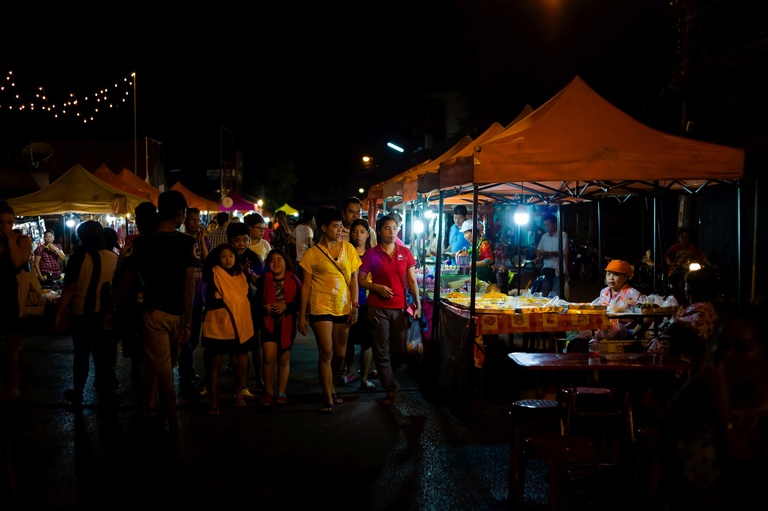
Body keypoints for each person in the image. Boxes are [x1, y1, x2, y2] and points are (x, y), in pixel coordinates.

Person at [650, 306, 768, 510]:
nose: (726, 354)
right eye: (721, 344)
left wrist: (724, 414)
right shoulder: (698, 392)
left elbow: (747, 483)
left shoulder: (760, 417)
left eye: (741, 347)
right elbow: (663, 453)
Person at [106, 189, 197, 447]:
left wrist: (110, 308)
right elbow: (188, 285)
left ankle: (157, 410)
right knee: (167, 368)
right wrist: (189, 321)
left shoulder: (142, 243)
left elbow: (125, 281)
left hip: (153, 312)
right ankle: (172, 425)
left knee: (163, 367)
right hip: (176, 314)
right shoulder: (186, 243)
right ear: (179, 214)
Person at [298, 206, 361, 414]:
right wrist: (302, 315)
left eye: (341, 226)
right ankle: (327, 396)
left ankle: (331, 384)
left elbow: (354, 280)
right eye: (336, 226)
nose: (340, 230)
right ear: (324, 228)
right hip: (320, 307)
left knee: (340, 355)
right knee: (326, 352)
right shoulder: (311, 254)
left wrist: (355, 306)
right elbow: (306, 286)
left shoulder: (349, 250)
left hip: (343, 307)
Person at [358, 214, 421, 406]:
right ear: (379, 231)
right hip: (377, 307)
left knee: (400, 349)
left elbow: (412, 280)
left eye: (395, 228)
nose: (392, 231)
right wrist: (376, 287)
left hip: (400, 307)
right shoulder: (371, 254)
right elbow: (360, 280)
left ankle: (388, 376)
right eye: (387, 228)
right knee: (381, 349)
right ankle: (389, 387)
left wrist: (417, 305)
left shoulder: (405, 252)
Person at [55, 221, 119, 405]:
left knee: (81, 356)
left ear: (81, 237)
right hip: (103, 314)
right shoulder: (113, 258)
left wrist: (58, 313)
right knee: (103, 356)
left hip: (80, 315)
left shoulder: (77, 258)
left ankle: (78, 391)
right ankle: (106, 391)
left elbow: (69, 289)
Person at [112, 201, 158, 419]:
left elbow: (123, 276)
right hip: (160, 308)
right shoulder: (165, 243)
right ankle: (152, 401)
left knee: (139, 360)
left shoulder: (135, 245)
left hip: (137, 309)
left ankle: (143, 403)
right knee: (155, 360)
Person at [200, 243, 255, 414]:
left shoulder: (240, 275)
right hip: (218, 324)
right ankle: (214, 401)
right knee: (215, 362)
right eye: (223, 256)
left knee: (239, 360)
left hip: (239, 323)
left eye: (231, 256)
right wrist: (202, 241)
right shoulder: (213, 272)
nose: (228, 259)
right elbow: (207, 260)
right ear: (218, 258)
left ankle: (239, 393)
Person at [255, 249, 302, 406]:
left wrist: (285, 306)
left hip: (287, 325)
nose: (275, 263)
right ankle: (268, 392)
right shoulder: (263, 280)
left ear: (285, 262)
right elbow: (256, 303)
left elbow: (300, 302)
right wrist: (265, 307)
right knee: (268, 359)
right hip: (268, 324)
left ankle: (281, 392)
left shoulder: (294, 279)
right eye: (272, 260)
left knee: (283, 360)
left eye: (279, 259)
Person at [646, 268, 719, 366]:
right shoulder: (694, 309)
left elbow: (691, 344)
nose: (684, 290)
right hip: (658, 360)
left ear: (691, 291)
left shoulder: (703, 314)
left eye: (685, 287)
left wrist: (673, 324)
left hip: (671, 366)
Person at [0, 201, 33, 399]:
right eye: (1, 222)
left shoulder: (23, 240)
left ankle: (14, 383)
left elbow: (18, 262)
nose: (4, 225)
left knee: (13, 343)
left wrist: (10, 239)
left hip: (13, 295)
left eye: (8, 222)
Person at [340, 218, 377, 391]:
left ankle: (364, 376)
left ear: (368, 234)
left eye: (362, 232)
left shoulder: (373, 253)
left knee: (367, 341)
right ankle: (350, 371)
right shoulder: (345, 252)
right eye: (355, 231)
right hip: (347, 302)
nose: (358, 235)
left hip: (368, 302)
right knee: (348, 340)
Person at [178, 207, 210, 399]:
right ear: (185, 221)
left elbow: (206, 260)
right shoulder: (181, 241)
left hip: (200, 292)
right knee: (187, 336)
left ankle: (186, 367)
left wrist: (203, 238)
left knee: (195, 335)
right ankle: (186, 371)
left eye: (198, 219)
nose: (196, 222)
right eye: (192, 219)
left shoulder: (201, 239)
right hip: (186, 292)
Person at [665, 227, 709, 304]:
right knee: (674, 281)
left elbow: (701, 256)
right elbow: (667, 256)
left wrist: (707, 262)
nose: (684, 238)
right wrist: (671, 263)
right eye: (682, 236)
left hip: (690, 270)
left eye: (686, 236)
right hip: (678, 269)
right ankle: (676, 297)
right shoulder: (675, 248)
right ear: (679, 238)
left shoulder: (693, 248)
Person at [534, 213, 569, 299]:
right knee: (544, 296)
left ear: (554, 224)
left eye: (548, 224)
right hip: (547, 270)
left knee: (557, 297)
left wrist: (548, 253)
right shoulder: (544, 237)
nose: (546, 227)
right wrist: (538, 254)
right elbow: (539, 250)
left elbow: (562, 252)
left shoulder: (562, 236)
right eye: (545, 224)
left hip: (558, 271)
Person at [457, 219, 495, 283]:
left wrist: (472, 264)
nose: (464, 236)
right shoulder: (473, 245)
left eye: (466, 233)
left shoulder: (483, 243)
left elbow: (490, 260)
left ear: (474, 231)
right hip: (478, 279)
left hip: (486, 279)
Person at [293, 210, 314, 281]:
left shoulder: (298, 227)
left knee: (298, 281)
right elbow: (310, 246)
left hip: (297, 259)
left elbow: (290, 238)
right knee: (305, 281)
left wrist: (296, 244)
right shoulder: (309, 230)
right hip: (305, 260)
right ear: (311, 220)